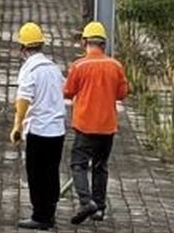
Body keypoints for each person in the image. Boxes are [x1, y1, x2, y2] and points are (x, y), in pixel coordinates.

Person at [63, 21, 129, 225]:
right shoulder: (116, 66)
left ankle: (86, 201)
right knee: (101, 166)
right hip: (107, 126)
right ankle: (99, 208)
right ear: (104, 44)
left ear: (85, 42)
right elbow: (122, 93)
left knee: (78, 164)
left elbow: (67, 92)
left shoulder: (79, 66)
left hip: (85, 126)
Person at [11, 22, 66, 230]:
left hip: (39, 131)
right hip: (57, 131)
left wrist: (17, 126)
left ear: (24, 48)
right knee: (51, 173)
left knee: (36, 174)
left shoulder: (29, 70)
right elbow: (65, 91)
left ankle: (39, 216)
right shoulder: (53, 68)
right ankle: (49, 213)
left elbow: (23, 99)